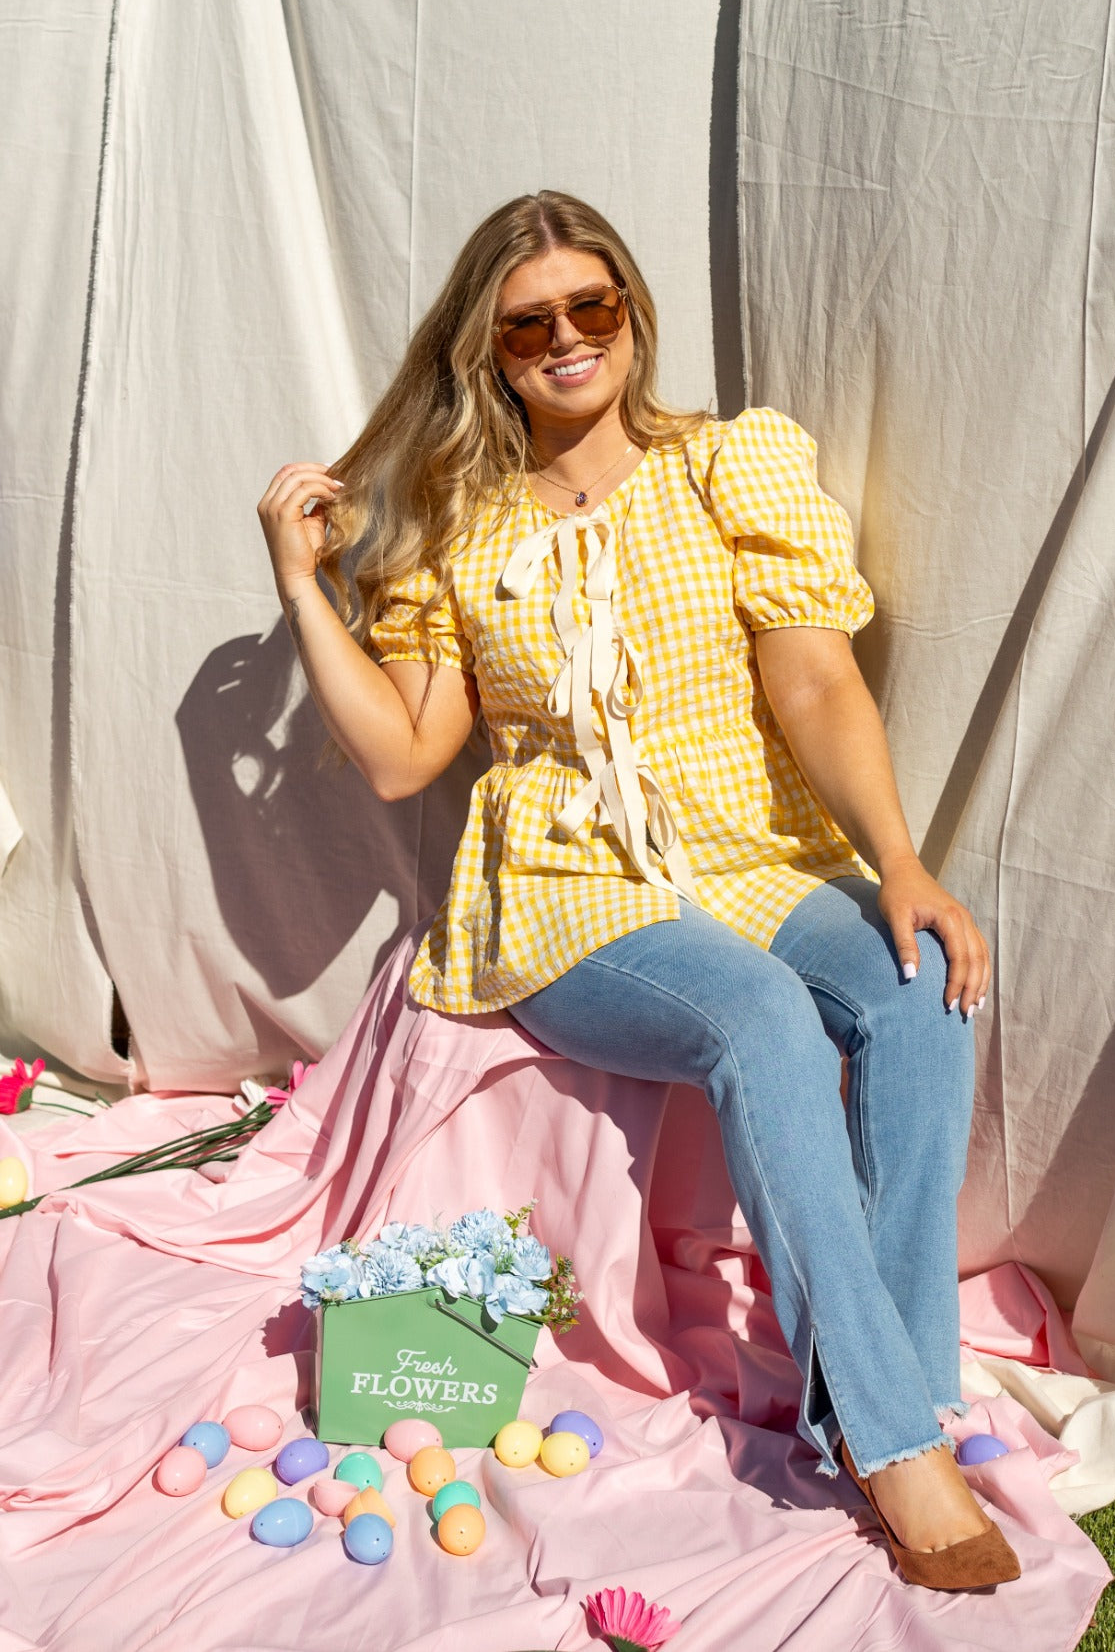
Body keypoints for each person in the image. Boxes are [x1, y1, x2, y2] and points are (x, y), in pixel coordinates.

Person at [256, 190, 1019, 1589]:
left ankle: (899, 1391)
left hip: (749, 853)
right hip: (568, 890)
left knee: (921, 990)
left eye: (588, 307)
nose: (564, 338)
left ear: (631, 316)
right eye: (528, 320)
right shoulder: (453, 527)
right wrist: (306, 586)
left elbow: (813, 678)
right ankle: (898, 1447)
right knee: (762, 1025)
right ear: (490, 349)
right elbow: (402, 757)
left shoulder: (733, 464)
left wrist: (902, 864)